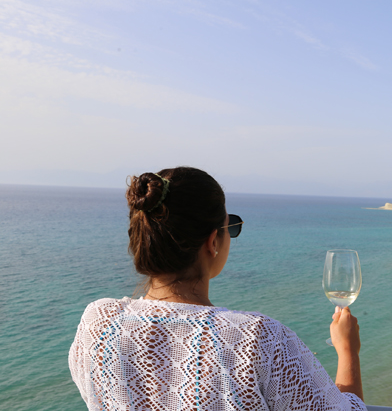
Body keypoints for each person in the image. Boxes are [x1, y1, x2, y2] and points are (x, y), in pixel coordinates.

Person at [69, 167, 365, 410]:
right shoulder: (257, 339)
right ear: (213, 242)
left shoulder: (98, 323)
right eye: (230, 227)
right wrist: (347, 350)